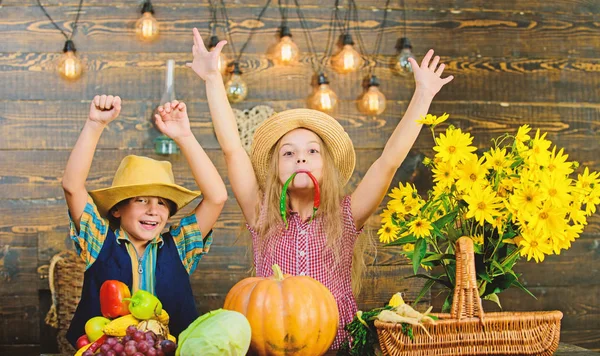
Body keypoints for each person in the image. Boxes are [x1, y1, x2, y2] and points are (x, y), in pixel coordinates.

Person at [187, 27, 453, 348]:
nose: (301, 158)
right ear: (275, 170)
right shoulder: (261, 214)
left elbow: (388, 161)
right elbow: (232, 148)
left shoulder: (347, 214)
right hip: (272, 346)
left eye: (312, 151)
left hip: (339, 346)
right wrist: (212, 79)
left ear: (326, 167)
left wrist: (423, 93)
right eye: (289, 153)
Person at [63, 94, 227, 346]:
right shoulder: (98, 241)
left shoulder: (180, 246)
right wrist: (95, 124)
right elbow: (72, 186)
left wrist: (184, 136)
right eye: (141, 200)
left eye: (162, 202)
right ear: (117, 210)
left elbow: (217, 197)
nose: (153, 210)